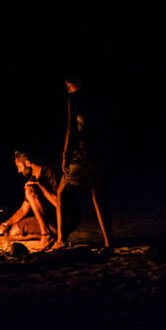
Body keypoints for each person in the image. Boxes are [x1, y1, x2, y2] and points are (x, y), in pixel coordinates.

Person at [51, 71, 112, 250]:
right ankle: (109, 242)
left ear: (73, 83)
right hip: (99, 151)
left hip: (83, 151)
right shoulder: (98, 97)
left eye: (67, 86)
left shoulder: (75, 98)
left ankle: (61, 239)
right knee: (98, 195)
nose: (67, 89)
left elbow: (71, 128)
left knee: (61, 191)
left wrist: (65, 155)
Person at [0, 151, 60, 251]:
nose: (18, 171)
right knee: (11, 233)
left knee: (29, 190)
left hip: (59, 221)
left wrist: (41, 187)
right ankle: (50, 236)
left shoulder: (49, 173)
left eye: (19, 166)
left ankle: (46, 235)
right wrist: (4, 225)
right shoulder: (32, 179)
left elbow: (59, 204)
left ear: (27, 163)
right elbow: (23, 210)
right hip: (47, 221)